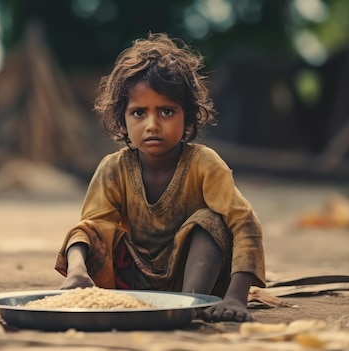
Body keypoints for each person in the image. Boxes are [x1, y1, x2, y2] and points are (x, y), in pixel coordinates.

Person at [54, 32, 265, 323]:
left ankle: (187, 306)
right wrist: (77, 270)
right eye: (139, 113)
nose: (152, 125)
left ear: (188, 118)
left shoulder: (204, 164)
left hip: (194, 284)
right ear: (123, 120)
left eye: (166, 111)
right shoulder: (113, 169)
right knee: (93, 229)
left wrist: (235, 298)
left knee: (210, 221)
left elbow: (244, 225)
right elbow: (90, 230)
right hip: (130, 286)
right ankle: (79, 278)